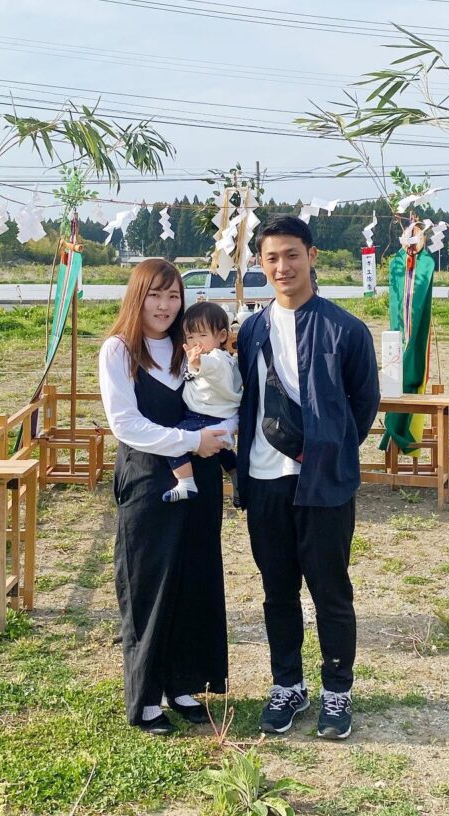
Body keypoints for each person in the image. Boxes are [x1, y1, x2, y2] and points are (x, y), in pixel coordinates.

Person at [236, 215, 381, 741]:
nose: (282, 266)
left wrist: (331, 450)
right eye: (271, 257)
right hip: (265, 479)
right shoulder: (250, 329)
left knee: (330, 591)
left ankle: (337, 691)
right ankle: (287, 685)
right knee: (277, 591)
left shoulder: (346, 328)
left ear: (312, 256)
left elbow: (364, 404)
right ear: (259, 263)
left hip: (323, 485)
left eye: (292, 254)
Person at [99, 258, 232, 735]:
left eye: (173, 296)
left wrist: (219, 435)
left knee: (193, 581)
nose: (164, 305)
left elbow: (222, 400)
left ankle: (184, 683)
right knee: (147, 585)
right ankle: (147, 696)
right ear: (138, 296)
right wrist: (192, 442)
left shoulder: (189, 347)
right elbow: (126, 425)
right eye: (155, 294)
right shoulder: (119, 351)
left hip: (202, 483)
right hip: (147, 482)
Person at [162, 301, 242, 504]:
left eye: (202, 335)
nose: (196, 342)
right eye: (190, 336)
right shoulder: (221, 358)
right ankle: (236, 474)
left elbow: (210, 366)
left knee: (174, 442)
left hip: (203, 417)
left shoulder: (217, 358)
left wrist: (196, 362)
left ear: (222, 336)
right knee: (223, 452)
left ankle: (186, 482)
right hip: (213, 415)